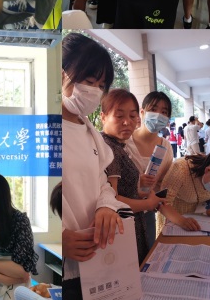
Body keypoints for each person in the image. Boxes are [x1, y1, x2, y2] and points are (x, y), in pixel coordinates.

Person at [62, 33, 128, 300]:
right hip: (63, 266)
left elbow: (102, 183)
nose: (95, 92)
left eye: (101, 85)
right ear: (62, 75)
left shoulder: (88, 130)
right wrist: (58, 238)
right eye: (89, 82)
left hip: (98, 258)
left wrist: (106, 206)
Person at [100, 89, 166, 264]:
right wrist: (148, 204)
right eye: (119, 116)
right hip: (121, 231)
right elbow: (112, 200)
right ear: (103, 117)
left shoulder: (118, 145)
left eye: (132, 116)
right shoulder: (109, 148)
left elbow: (122, 188)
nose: (127, 122)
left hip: (131, 225)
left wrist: (139, 187)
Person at [125, 91, 174, 248]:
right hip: (122, 212)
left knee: (147, 254)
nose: (158, 115)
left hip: (148, 214)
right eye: (153, 109)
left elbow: (162, 185)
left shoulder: (166, 147)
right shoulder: (124, 142)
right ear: (142, 112)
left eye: (164, 112)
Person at [156, 144, 210, 233]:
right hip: (174, 218)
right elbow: (161, 203)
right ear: (208, 170)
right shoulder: (180, 169)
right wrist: (181, 220)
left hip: (199, 220)